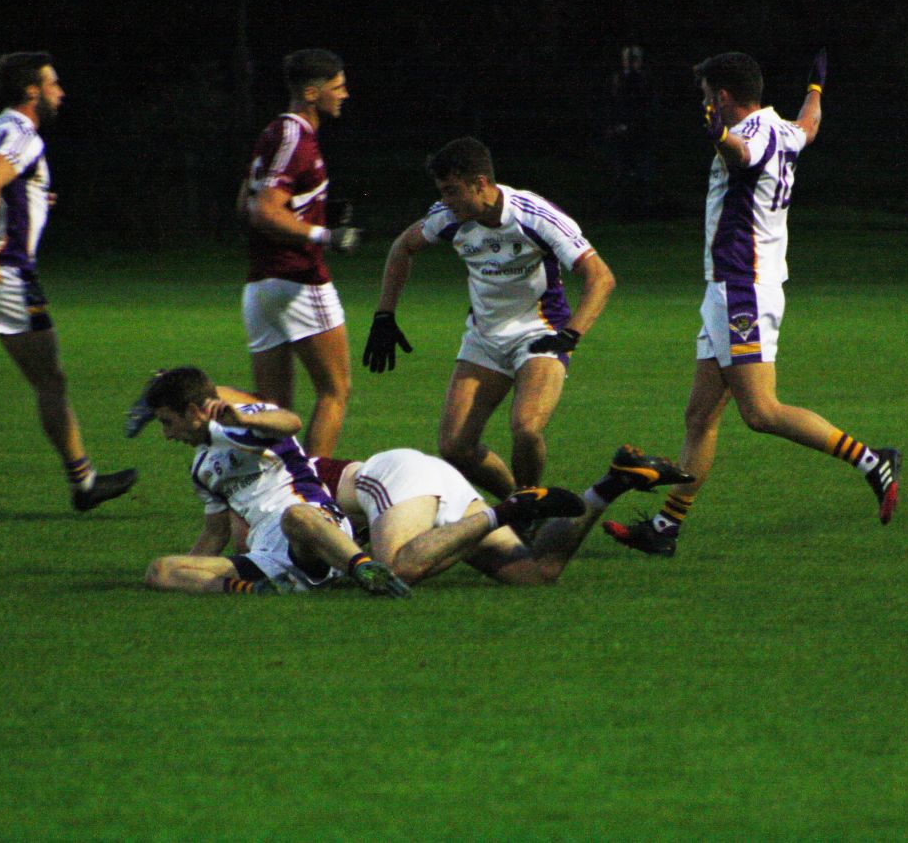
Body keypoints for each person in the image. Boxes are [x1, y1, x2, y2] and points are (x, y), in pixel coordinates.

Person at [604, 50, 901, 558]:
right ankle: (665, 529)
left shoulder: (755, 137)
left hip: (742, 287)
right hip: (729, 288)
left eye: (706, 97)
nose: (704, 105)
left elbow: (741, 155)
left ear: (722, 99)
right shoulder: (785, 128)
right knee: (700, 417)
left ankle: (873, 461)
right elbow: (811, 124)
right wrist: (816, 89)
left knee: (761, 411)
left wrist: (719, 136)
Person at [0, 52, 136, 512]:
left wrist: (30, 201)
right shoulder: (21, 133)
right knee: (50, 380)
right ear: (32, 91)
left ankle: (85, 480)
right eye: (53, 84)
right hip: (5, 274)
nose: (61, 91)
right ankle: (84, 482)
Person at [362, 137, 616, 499]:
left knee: (526, 428)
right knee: (455, 447)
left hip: (541, 333)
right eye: (442, 192)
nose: (445, 202)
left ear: (480, 183)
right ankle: (523, 504)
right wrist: (384, 315)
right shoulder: (448, 218)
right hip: (484, 338)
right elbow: (403, 246)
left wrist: (572, 333)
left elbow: (600, 276)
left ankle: (528, 504)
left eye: (452, 191)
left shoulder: (533, 215)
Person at [140, 366, 408, 597]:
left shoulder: (242, 422)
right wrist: (189, 570)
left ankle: (364, 568)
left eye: (167, 422)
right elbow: (215, 532)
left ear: (191, 411)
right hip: (267, 557)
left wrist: (244, 419)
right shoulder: (201, 468)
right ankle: (259, 590)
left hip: (315, 531)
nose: (167, 434)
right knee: (160, 571)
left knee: (295, 516)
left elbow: (291, 422)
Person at [320, 445, 691, 587]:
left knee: (394, 571)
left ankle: (511, 509)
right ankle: (611, 484)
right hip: (422, 481)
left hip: (394, 475)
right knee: (535, 574)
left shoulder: (279, 486)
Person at [236, 48, 359, 458]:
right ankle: (316, 492)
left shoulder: (274, 133)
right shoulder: (296, 136)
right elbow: (264, 210)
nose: (344, 94)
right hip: (298, 281)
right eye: (337, 87)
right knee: (335, 391)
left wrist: (311, 209)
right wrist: (324, 234)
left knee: (273, 411)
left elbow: (246, 203)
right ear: (311, 92)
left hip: (260, 286)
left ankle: (263, 504)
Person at [605, 45, 659, 215]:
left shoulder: (643, 80)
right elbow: (615, 104)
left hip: (640, 132)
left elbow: (645, 106)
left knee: (642, 171)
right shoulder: (620, 78)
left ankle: (643, 207)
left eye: (633, 59)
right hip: (623, 131)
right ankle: (624, 207)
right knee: (622, 171)